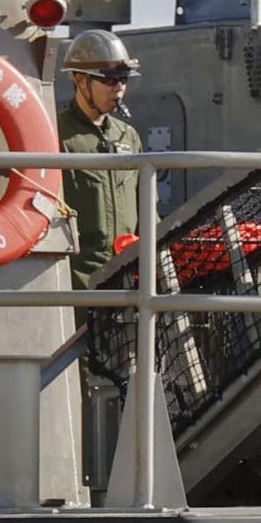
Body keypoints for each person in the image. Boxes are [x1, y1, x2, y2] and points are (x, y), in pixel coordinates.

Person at [55, 28, 147, 495]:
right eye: (109, 79)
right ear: (80, 80)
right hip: (79, 287)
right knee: (81, 389)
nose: (119, 88)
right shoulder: (58, 138)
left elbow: (146, 208)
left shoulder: (128, 137)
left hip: (126, 287)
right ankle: (83, 485)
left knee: (128, 385)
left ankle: (125, 481)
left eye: (122, 79)